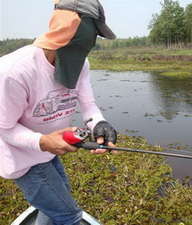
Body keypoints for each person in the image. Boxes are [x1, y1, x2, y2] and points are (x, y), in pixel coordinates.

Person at [0, 0, 117, 224]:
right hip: (22, 159)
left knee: (61, 192)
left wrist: (100, 124)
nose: (91, 41)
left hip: (47, 152)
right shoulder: (13, 72)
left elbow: (89, 105)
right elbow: (4, 129)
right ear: (69, 25)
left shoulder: (82, 65)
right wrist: (44, 141)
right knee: (67, 214)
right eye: (91, 31)